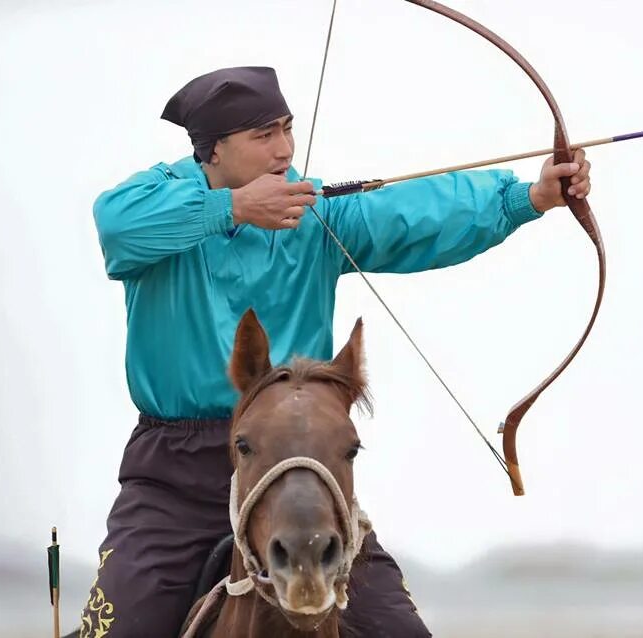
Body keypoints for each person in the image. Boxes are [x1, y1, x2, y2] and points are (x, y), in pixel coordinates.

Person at [81, 65, 592, 638]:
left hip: (298, 468)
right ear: (213, 151)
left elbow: (412, 212)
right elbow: (116, 227)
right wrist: (234, 209)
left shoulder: (316, 212)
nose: (283, 149)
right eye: (262, 135)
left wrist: (529, 196)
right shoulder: (158, 200)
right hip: (174, 477)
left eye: (286, 129)